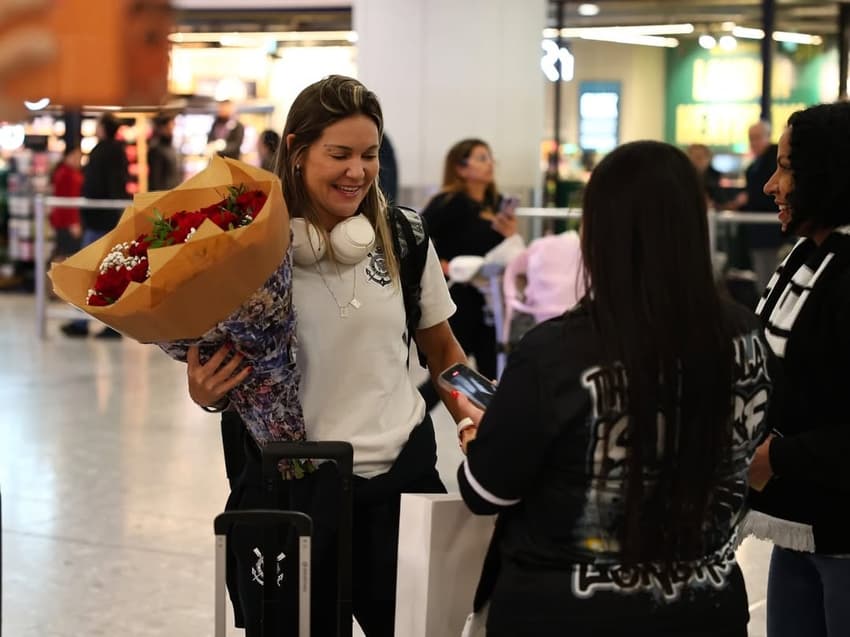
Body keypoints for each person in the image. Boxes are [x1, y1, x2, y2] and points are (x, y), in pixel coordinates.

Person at [453, 141, 774, 636]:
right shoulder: (748, 335)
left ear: (599, 231)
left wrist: (479, 437)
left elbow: (487, 490)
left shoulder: (556, 351)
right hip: (708, 603)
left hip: (569, 611)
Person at [185, 75, 468, 637]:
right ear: (295, 149)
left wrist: (473, 413)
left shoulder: (405, 236)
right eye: (338, 154)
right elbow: (214, 364)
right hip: (290, 491)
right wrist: (204, 391)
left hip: (401, 487)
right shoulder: (246, 248)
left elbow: (441, 348)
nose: (357, 171)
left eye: (369, 155)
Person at [745, 102, 850, 637]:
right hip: (800, 524)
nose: (771, 186)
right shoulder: (809, 253)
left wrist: (776, 455)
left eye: (786, 167)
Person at [419, 139, 517, 407]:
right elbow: (417, 238)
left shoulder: (496, 204)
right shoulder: (448, 202)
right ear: (461, 168)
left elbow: (505, 253)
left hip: (490, 301)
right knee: (446, 373)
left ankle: (491, 431)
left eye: (490, 157)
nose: (490, 164)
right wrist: (442, 265)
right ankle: (411, 425)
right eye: (481, 158)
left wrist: (510, 234)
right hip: (458, 299)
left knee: (492, 374)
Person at [61, 112, 128, 338]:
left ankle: (82, 323)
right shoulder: (118, 151)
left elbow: (94, 185)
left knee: (89, 274)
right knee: (107, 274)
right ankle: (111, 324)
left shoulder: (101, 151)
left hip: (98, 220)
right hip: (110, 218)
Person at [731, 121, 783, 289]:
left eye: (757, 138)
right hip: (759, 231)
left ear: (767, 137)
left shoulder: (773, 160)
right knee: (763, 280)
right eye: (751, 138)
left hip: (773, 231)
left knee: (772, 278)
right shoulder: (756, 164)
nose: (754, 142)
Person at [49, 146, 83, 261]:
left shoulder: (64, 172)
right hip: (66, 221)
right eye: (76, 156)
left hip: (62, 220)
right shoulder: (67, 174)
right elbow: (69, 200)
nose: (78, 160)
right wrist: (73, 222)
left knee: (64, 252)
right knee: (68, 254)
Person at [147, 113, 180, 191]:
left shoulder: (171, 147)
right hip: (164, 194)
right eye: (170, 127)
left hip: (173, 192)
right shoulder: (156, 149)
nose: (173, 129)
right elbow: (156, 179)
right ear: (162, 128)